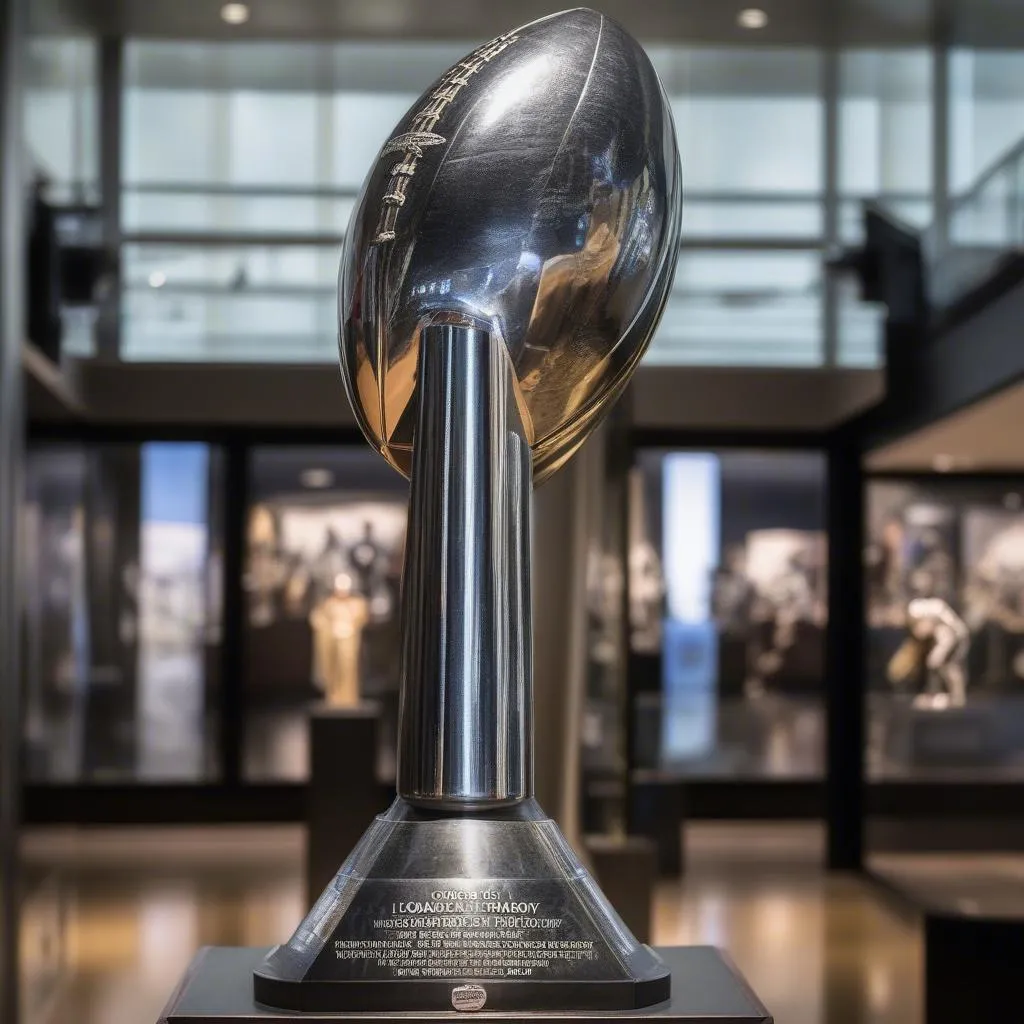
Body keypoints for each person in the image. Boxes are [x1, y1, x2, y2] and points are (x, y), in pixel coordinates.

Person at [901, 597, 971, 709]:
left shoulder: (933, 611)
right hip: (951, 636)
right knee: (943, 665)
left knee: (945, 665)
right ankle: (949, 695)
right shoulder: (937, 611)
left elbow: (925, 630)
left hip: (955, 636)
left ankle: (941, 694)